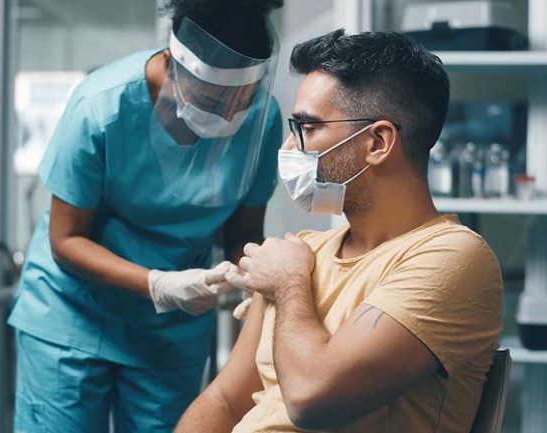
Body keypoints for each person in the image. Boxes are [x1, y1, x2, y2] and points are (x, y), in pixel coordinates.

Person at [175, 29, 503, 433]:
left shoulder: (452, 259)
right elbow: (225, 401)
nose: (291, 149)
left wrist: (288, 284)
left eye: (307, 129)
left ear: (378, 142)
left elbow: (312, 400)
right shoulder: (304, 253)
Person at [7, 1, 284, 432]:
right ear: (174, 65)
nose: (227, 116)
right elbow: (66, 240)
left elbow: (245, 231)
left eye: (240, 101)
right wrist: (159, 284)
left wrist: (255, 280)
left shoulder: (263, 122)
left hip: (170, 329)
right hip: (73, 314)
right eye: (212, 99)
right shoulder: (102, 106)